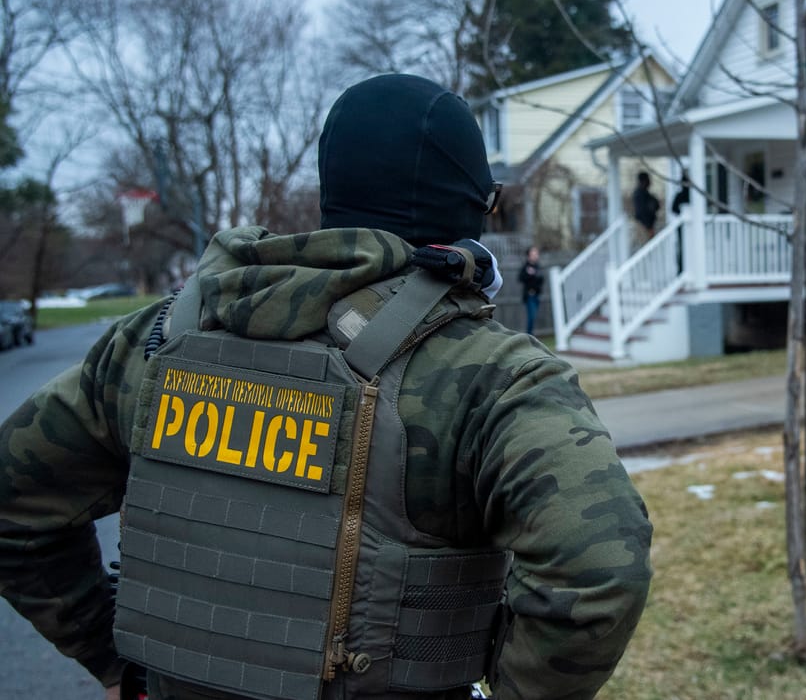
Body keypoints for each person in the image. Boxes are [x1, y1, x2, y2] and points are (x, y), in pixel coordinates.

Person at [0, 74, 653, 700]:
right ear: (468, 208)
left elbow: (13, 500)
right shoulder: (493, 375)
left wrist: (110, 657)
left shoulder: (156, 338)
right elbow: (599, 570)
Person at [517, 245, 543, 335]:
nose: (536, 256)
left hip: (537, 295)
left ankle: (530, 335)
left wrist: (534, 274)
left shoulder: (537, 266)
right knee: (531, 317)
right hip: (529, 295)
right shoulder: (526, 266)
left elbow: (541, 279)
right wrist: (529, 274)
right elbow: (520, 278)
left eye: (536, 254)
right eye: (533, 254)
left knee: (534, 317)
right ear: (529, 255)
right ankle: (529, 336)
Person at [631, 170, 660, 246]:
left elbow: (656, 205)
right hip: (644, 226)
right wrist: (649, 227)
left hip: (647, 226)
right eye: (648, 180)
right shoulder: (639, 194)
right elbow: (641, 212)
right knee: (645, 247)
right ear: (643, 181)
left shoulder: (646, 193)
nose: (650, 182)